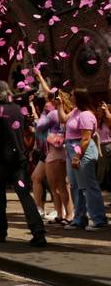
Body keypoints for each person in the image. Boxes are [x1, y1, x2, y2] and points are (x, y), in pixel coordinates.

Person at [0, 80, 46, 247]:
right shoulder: (18, 110)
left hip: (0, 161)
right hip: (18, 161)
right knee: (25, 196)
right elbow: (23, 130)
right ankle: (38, 232)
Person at [57, 88, 108, 231]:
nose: (70, 97)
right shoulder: (74, 112)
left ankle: (99, 220)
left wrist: (77, 156)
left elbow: (85, 138)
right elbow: (62, 119)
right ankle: (80, 219)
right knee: (75, 186)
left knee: (89, 186)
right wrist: (59, 105)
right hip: (71, 149)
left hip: (82, 150)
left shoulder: (86, 115)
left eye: (72, 96)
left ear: (79, 98)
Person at [28, 95, 50, 219]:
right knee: (37, 178)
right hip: (43, 153)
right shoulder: (43, 117)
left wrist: (35, 132)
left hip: (50, 152)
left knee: (55, 184)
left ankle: (64, 211)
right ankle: (39, 208)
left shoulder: (48, 118)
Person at [96, 100, 111, 194]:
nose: (101, 111)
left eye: (103, 110)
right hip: (100, 147)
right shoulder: (99, 122)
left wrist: (106, 110)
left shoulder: (109, 122)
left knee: (108, 171)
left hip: (108, 146)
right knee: (102, 170)